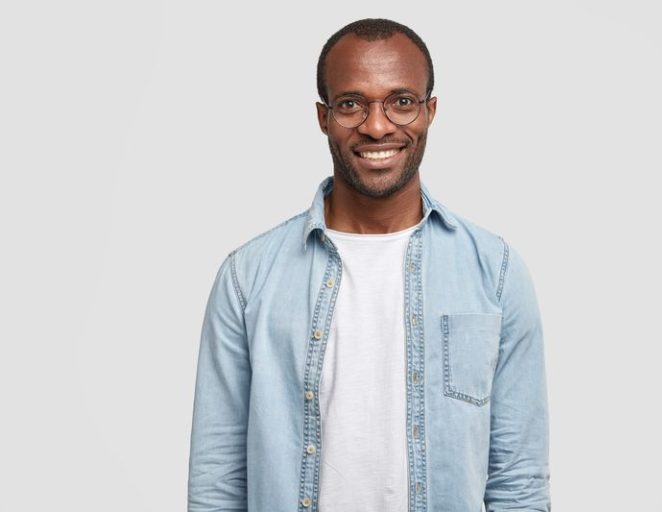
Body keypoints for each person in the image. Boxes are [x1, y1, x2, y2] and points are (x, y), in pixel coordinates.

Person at [188, 18, 551, 512]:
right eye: (351, 104)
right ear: (323, 116)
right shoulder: (247, 278)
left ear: (430, 111)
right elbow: (218, 482)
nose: (377, 125)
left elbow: (519, 482)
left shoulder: (496, 273)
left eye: (401, 101)